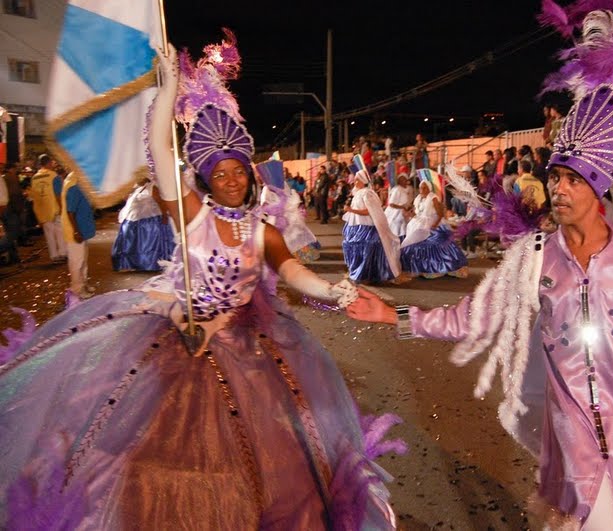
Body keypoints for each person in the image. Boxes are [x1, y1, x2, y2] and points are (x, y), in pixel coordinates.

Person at [0, 40, 400, 530]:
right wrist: (166, 95)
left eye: (238, 172)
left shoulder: (263, 230)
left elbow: (291, 271)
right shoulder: (192, 216)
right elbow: (164, 162)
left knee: (261, 453)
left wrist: (330, 288)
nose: (231, 180)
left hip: (249, 352)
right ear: (208, 180)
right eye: (221, 174)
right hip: (181, 340)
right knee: (164, 445)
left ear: (250, 177)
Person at [349, 84, 613, 530]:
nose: (559, 189)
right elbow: (472, 316)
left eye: (573, 180)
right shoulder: (536, 254)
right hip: (572, 429)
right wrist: (394, 316)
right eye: (555, 178)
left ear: (599, 187)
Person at [342, 169, 401, 284]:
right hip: (356, 227)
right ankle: (357, 272)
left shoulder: (367, 193)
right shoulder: (357, 193)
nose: (354, 182)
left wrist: (351, 210)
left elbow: (368, 211)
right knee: (354, 248)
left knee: (367, 248)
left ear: (363, 181)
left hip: (366, 227)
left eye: (357, 180)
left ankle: (366, 275)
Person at [400, 180, 467, 279]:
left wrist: (435, 225)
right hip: (419, 225)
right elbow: (417, 213)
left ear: (429, 188)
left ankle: (437, 268)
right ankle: (416, 268)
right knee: (410, 244)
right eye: (421, 187)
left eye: (424, 187)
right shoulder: (418, 198)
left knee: (432, 245)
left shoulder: (433, 198)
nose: (422, 190)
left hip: (433, 224)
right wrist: (411, 214)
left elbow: (440, 214)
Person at [111, 180, 176, 272]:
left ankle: (149, 263)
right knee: (133, 242)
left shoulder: (153, 186)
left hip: (149, 221)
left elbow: (161, 202)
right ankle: (133, 263)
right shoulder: (137, 188)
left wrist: (164, 215)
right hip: (135, 220)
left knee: (147, 243)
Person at [61, 170, 97, 298]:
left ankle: (83, 284)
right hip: (75, 231)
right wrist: (76, 231)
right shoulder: (74, 186)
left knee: (83, 260)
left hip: (82, 229)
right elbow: (70, 212)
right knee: (77, 261)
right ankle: (77, 290)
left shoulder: (78, 182)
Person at [30, 153, 67, 262]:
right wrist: (61, 208)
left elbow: (34, 197)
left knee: (49, 234)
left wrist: (37, 213)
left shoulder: (34, 178)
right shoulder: (53, 176)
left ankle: (54, 256)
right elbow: (58, 194)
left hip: (42, 210)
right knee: (59, 232)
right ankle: (62, 253)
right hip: (55, 209)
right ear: (48, 163)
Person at [384, 172, 413, 238]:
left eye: (404, 179)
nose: (402, 180)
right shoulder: (397, 189)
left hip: (405, 213)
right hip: (395, 214)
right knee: (397, 230)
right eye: (400, 179)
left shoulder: (408, 189)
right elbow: (391, 204)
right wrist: (402, 206)